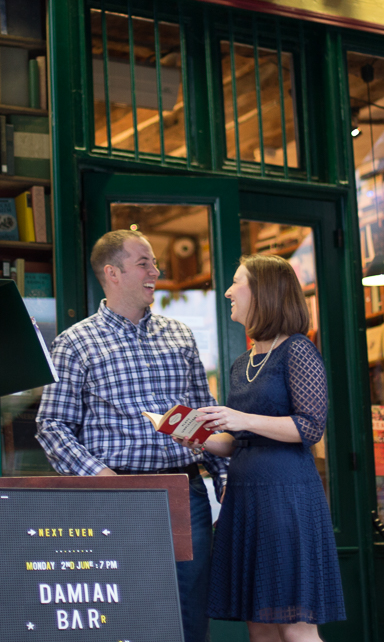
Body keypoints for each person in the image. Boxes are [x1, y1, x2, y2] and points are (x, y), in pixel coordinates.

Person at [36, 230, 226, 642]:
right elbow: (51, 426)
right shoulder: (75, 343)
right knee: (126, 610)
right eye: (144, 263)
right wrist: (102, 479)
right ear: (113, 272)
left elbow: (203, 415)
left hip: (185, 490)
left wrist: (225, 481)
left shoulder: (180, 335)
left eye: (154, 263)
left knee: (191, 609)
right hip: (114, 493)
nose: (155, 271)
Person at [185, 254, 345, 641]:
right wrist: (197, 434)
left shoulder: (298, 351)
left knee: (295, 628)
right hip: (245, 502)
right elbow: (238, 442)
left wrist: (242, 420)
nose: (226, 292)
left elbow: (311, 426)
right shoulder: (243, 363)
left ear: (264, 292)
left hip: (286, 500)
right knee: (259, 627)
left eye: (236, 282)